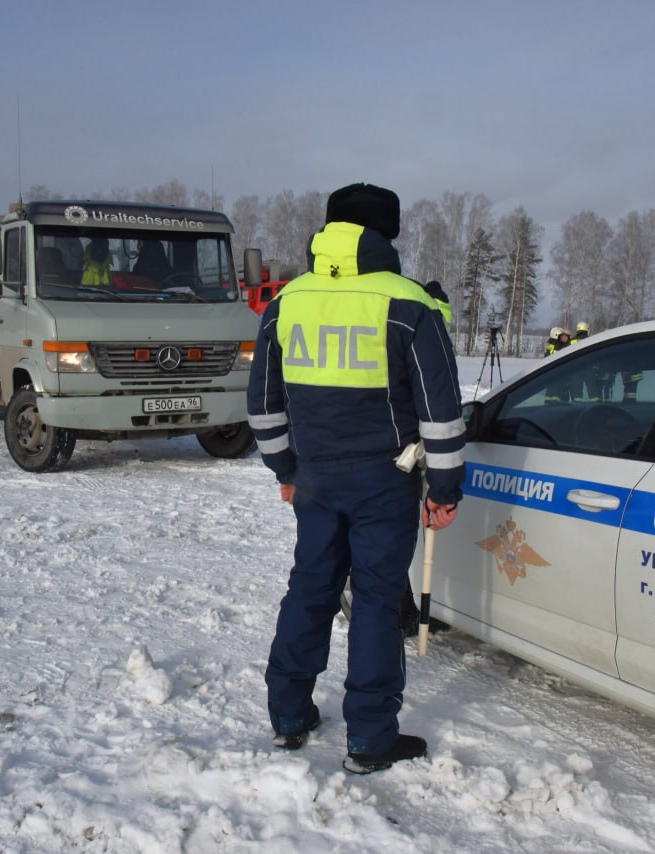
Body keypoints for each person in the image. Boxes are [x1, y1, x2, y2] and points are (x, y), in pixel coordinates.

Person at [247, 182, 465, 774]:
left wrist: (285, 470)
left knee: (310, 589)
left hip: (315, 478)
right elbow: (440, 413)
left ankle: (289, 716)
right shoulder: (410, 304)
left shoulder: (287, 301)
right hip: (384, 482)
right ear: (386, 235)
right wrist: (445, 489)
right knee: (373, 601)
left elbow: (264, 406)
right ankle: (369, 738)